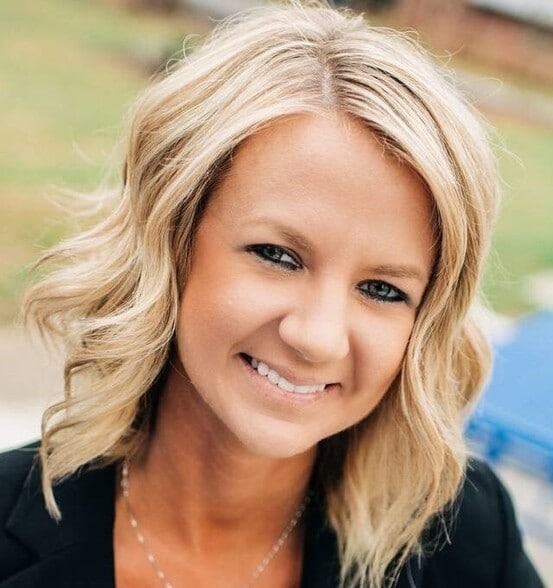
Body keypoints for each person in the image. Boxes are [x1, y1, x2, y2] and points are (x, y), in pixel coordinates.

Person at [0, 2, 545, 587]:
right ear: (172, 238)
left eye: (382, 289)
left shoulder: (467, 539)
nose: (317, 338)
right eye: (278, 256)